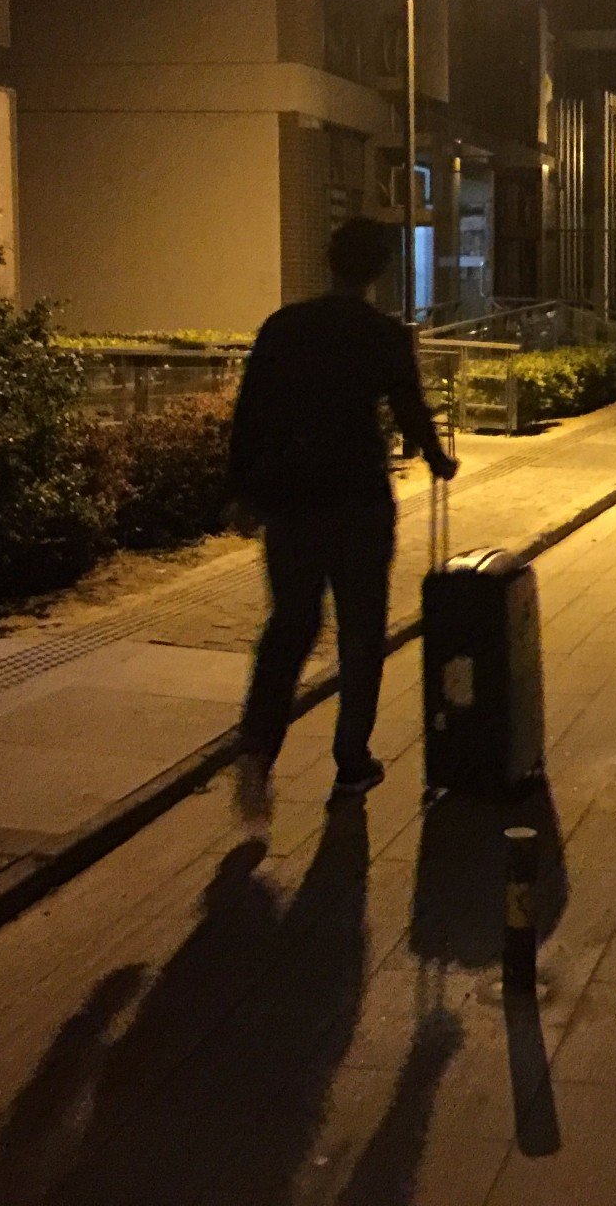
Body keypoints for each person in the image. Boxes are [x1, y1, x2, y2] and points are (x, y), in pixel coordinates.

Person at [228, 218, 456, 799]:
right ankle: (351, 758)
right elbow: (408, 406)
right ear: (378, 269)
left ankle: (257, 746)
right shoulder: (382, 334)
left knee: (291, 622)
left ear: (329, 263)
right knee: (361, 630)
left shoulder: (284, 327)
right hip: (358, 498)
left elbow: (250, 413)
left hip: (293, 501)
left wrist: (243, 492)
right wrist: (437, 458)